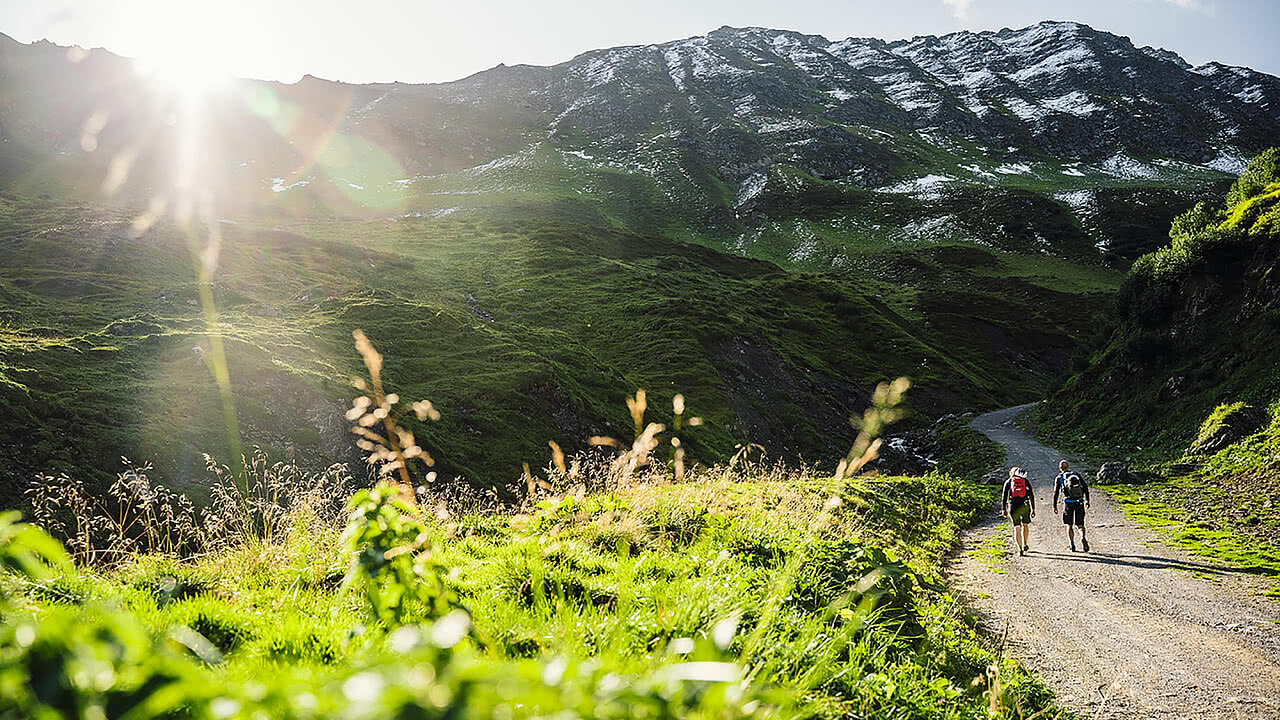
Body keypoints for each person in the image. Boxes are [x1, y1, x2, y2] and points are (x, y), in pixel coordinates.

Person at [1053, 460, 1091, 552]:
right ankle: (1082, 537)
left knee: (1069, 525)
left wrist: (1054, 505)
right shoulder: (1076, 475)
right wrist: (1087, 500)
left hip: (1068, 503)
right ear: (1068, 466)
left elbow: (1056, 492)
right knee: (1080, 524)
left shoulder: (1059, 477)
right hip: (1079, 502)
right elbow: (1085, 487)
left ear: (1060, 468)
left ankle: (1072, 545)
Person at [1001, 466, 1035, 555]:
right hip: (1025, 505)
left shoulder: (1009, 482)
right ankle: (1025, 543)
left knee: (1017, 527)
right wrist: (1033, 508)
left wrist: (1004, 509)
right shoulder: (1025, 481)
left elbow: (1004, 497)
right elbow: (1031, 495)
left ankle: (1020, 549)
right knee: (1025, 525)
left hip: (1013, 506)